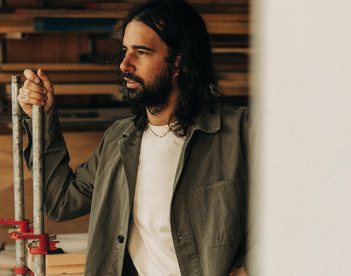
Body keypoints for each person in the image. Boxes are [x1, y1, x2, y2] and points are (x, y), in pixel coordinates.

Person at [18, 0, 250, 275]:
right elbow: (60, 202)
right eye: (125, 50)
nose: (125, 64)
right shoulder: (120, 139)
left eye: (141, 52)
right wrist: (42, 119)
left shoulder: (242, 130)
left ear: (179, 62)